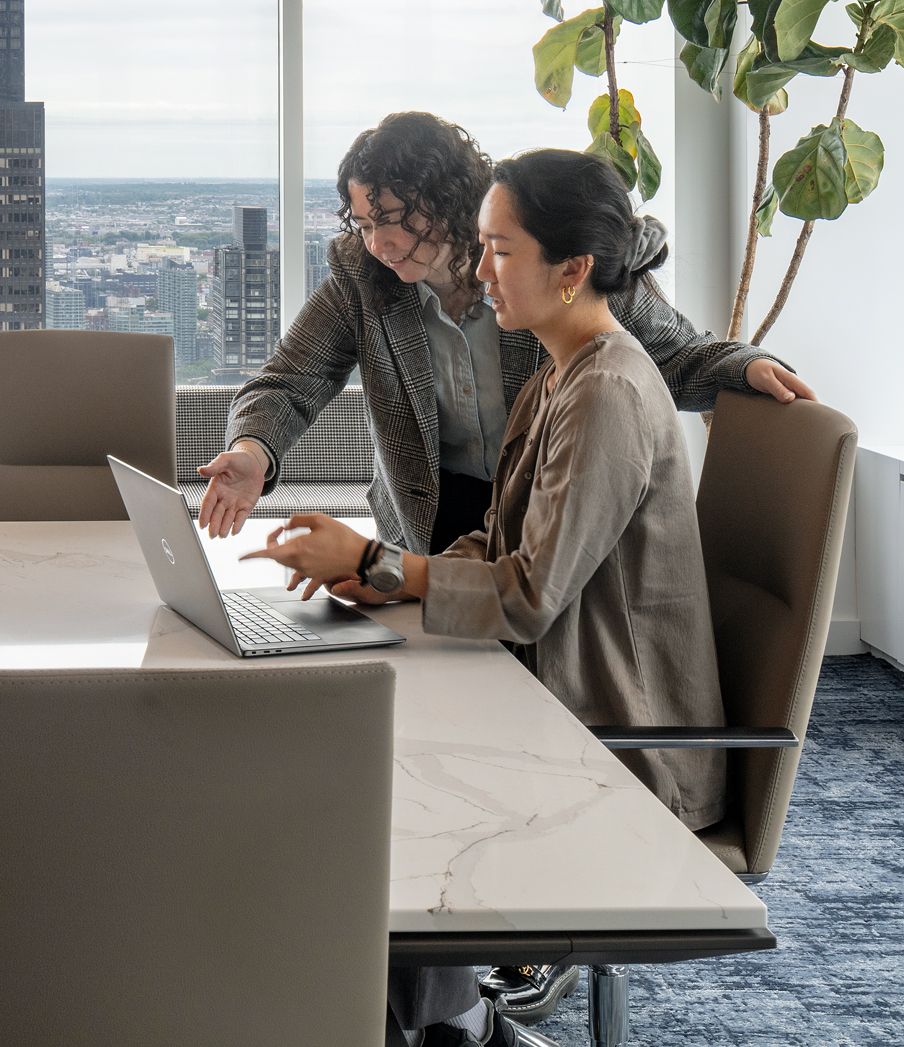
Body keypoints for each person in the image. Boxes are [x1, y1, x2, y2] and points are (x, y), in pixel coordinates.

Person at [246, 149, 733, 1047]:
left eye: (500, 251)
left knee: (372, 783)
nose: (480, 270)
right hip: (560, 703)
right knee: (362, 760)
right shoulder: (560, 372)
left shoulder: (605, 393)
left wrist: (382, 564)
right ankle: (438, 1020)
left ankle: (454, 1026)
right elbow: (497, 545)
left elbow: (529, 593)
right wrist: (378, 574)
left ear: (572, 269)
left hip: (619, 747)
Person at [197, 110, 813, 558]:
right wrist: (252, 451)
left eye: (394, 220)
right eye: (362, 224)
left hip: (546, 512)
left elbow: (674, 357)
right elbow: (290, 380)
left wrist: (743, 367)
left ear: (448, 201)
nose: (379, 242)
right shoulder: (363, 276)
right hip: (429, 519)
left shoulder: (547, 264)